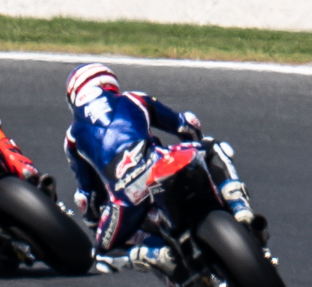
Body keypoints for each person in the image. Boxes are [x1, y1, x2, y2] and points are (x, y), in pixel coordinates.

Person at [60, 61, 205, 273]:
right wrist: (193, 142)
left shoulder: (71, 137)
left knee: (102, 254)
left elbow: (87, 198)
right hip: (158, 169)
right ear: (108, 83)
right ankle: (238, 206)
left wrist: (95, 223)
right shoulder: (133, 98)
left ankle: (156, 255)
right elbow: (186, 124)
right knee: (214, 148)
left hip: (128, 198)